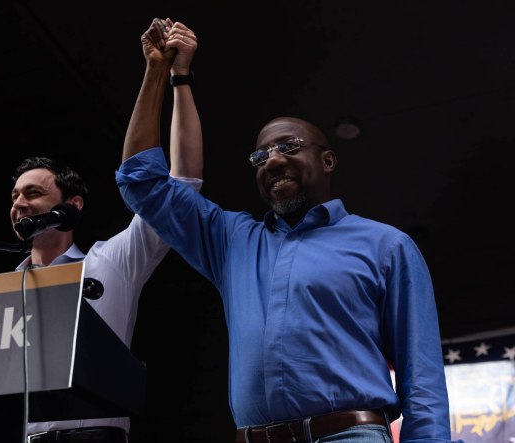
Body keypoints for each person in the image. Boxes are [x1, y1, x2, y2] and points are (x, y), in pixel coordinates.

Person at [116, 18, 463, 443]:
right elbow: (141, 182)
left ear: (328, 161)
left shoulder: (386, 245)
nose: (273, 159)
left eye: (290, 146)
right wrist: (160, 73)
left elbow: (421, 376)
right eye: (260, 155)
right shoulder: (232, 242)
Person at [14, 18, 202, 443]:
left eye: (32, 194)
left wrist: (170, 76)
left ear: (70, 206)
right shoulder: (3, 289)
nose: (19, 204)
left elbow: (182, 187)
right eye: (14, 198)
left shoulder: (112, 261)